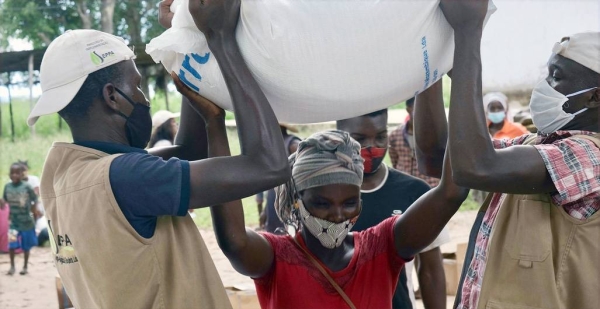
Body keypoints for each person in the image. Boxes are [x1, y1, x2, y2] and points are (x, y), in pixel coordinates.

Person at [25, 0, 290, 307]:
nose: (143, 98)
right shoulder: (126, 178)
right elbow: (270, 165)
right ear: (112, 96)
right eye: (137, 86)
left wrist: (189, 39)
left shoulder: (62, 176)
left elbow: (191, 151)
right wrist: (221, 38)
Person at [419, 2, 600, 307]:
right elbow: (438, 157)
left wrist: (467, 35)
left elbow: (476, 167)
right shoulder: (535, 146)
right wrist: (432, 70)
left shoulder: (590, 158)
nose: (543, 86)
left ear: (595, 96)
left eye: (556, 76)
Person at [207, 126, 468, 309]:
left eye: (350, 203)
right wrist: (214, 123)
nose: (337, 215)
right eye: (321, 203)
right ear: (297, 200)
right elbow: (234, 240)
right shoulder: (275, 258)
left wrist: (461, 71)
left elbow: (451, 192)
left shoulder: (382, 247)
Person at [337, 110, 449, 309]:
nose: (373, 146)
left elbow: (431, 270)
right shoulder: (322, 198)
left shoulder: (416, 192)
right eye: (359, 139)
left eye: (381, 136)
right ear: (339, 137)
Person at [258, 123, 302, 232]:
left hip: (291, 197)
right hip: (274, 197)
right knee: (275, 234)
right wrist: (265, 211)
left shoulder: (293, 144)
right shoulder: (271, 146)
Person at [389, 98, 441, 188]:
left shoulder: (436, 134)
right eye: (418, 108)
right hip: (403, 185)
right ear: (408, 109)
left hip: (429, 187)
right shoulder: (395, 135)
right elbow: (394, 160)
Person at [3, 163, 38, 275]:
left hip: (26, 222)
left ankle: (25, 267)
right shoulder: (7, 187)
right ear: (9, 174)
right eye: (12, 173)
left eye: (17, 173)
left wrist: (34, 211)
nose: (14, 175)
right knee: (12, 244)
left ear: (21, 174)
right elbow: (4, 202)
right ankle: (12, 267)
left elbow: (34, 199)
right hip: (13, 222)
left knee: (26, 246)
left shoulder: (27, 187)